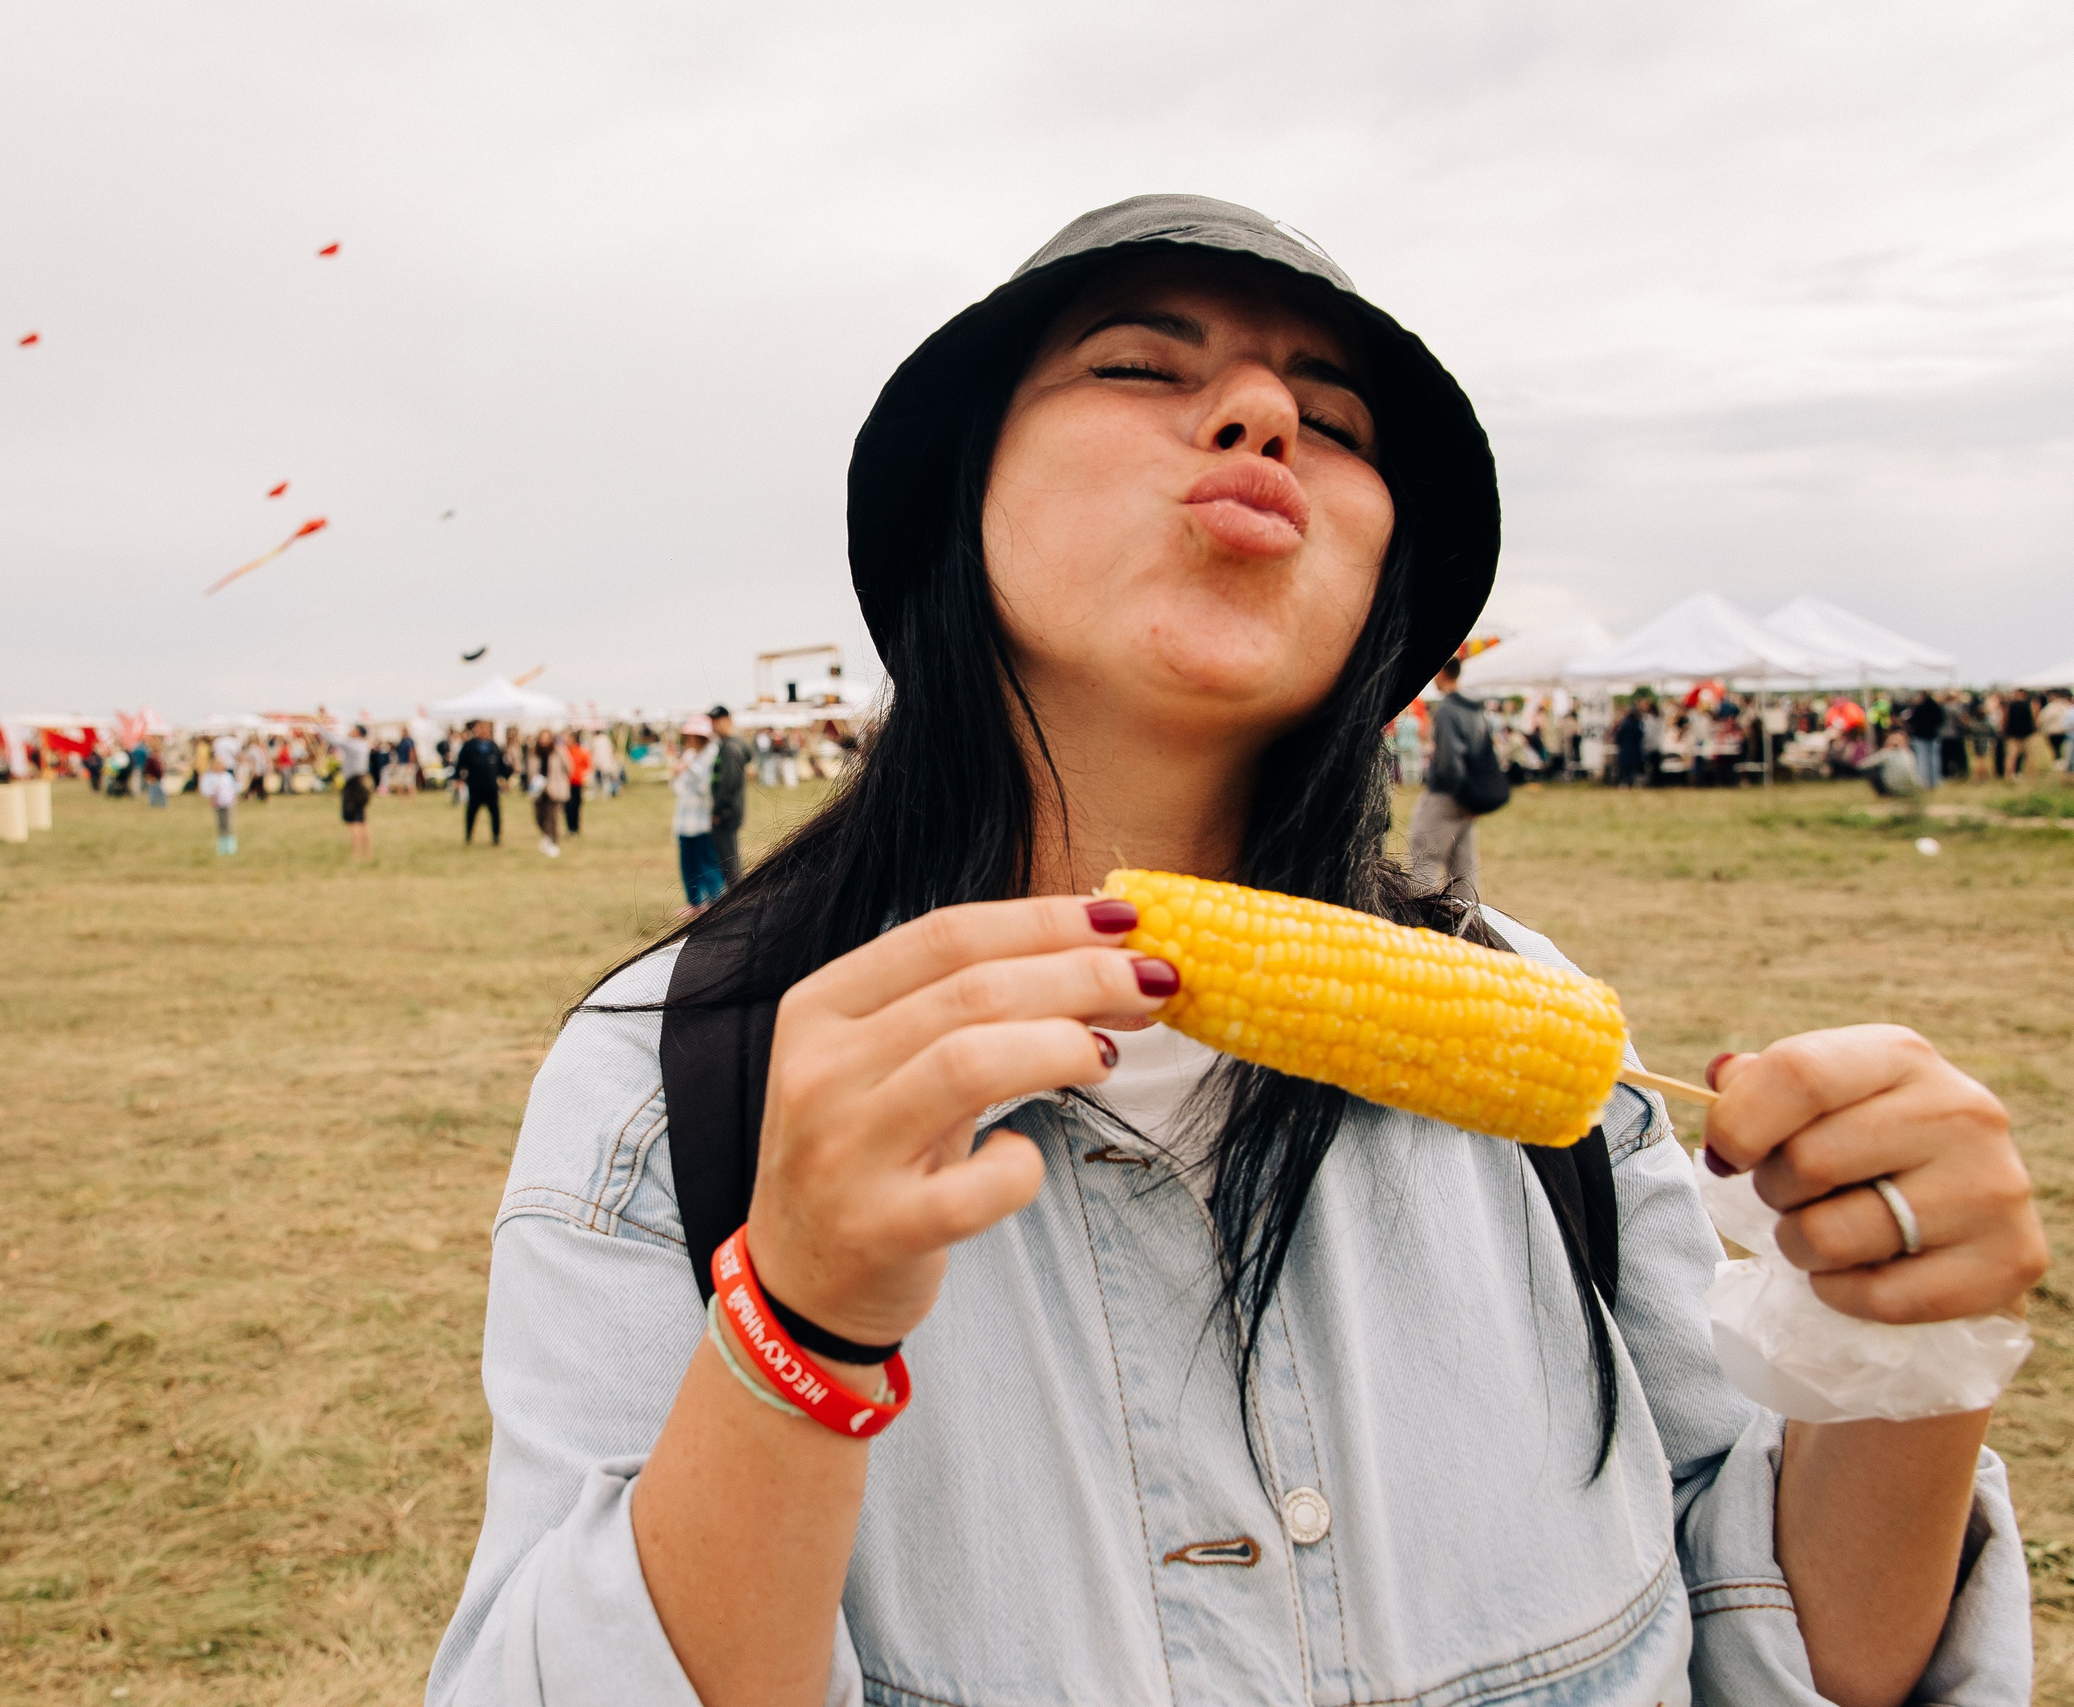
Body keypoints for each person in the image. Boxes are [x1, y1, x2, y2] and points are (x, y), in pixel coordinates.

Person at [428, 195, 2045, 1707]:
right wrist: (796, 1331)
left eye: (1332, 424)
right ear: (956, 494)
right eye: (1141, 366)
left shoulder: (1542, 1036)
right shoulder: (677, 1076)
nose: (1263, 417)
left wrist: (1904, 1356)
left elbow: (1774, 1644)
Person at [1406, 654, 1496, 895]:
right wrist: (1471, 799)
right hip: (1470, 798)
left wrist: (1457, 791)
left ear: (1442, 672)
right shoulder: (1475, 709)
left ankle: (1415, 919)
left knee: (1424, 858)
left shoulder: (1447, 710)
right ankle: (1467, 924)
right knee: (1463, 869)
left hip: (1447, 794)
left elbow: (1449, 760)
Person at [670, 714, 722, 908]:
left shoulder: (713, 754)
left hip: (703, 821)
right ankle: (693, 903)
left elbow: (705, 788)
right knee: (688, 865)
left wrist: (689, 768)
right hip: (685, 820)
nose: (688, 740)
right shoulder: (690, 755)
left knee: (707, 864)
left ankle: (716, 903)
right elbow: (678, 787)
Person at [707, 705, 752, 885]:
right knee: (729, 860)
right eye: (712, 721)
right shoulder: (729, 744)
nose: (714, 725)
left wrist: (717, 810)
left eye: (718, 721)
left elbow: (728, 784)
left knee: (730, 863)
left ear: (728, 721)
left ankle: (737, 899)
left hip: (727, 812)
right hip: (730, 810)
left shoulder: (730, 747)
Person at [455, 720, 505, 846]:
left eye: (486, 728)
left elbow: (501, 765)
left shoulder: (493, 746)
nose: (483, 731)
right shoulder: (469, 746)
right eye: (481, 728)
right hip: (475, 785)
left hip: (491, 786)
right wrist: (458, 779)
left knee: (495, 813)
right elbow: (460, 763)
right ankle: (468, 835)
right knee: (471, 812)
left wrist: (505, 778)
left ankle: (496, 837)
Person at [335, 723, 374, 861]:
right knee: (362, 819)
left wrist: (318, 725)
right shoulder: (364, 745)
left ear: (358, 732)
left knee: (353, 820)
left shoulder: (353, 745)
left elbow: (334, 740)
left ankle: (356, 854)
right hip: (362, 782)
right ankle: (367, 853)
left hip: (352, 784)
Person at [532, 731, 570, 858]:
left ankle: (554, 843)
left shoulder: (558, 751)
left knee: (552, 817)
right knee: (539, 817)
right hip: (538, 789)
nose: (544, 741)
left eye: (547, 739)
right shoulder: (534, 753)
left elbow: (568, 767)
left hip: (554, 789)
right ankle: (546, 837)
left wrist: (560, 781)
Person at [200, 735, 239, 854]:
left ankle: (230, 846)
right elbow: (206, 789)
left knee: (228, 824)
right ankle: (222, 846)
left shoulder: (227, 776)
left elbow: (234, 787)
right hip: (217, 802)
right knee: (220, 824)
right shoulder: (211, 777)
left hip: (228, 802)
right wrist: (213, 793)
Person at [1902, 692, 1945, 791]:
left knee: (1922, 759)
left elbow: (1911, 720)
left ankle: (1922, 782)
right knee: (1934, 759)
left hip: (1920, 735)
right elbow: (1941, 720)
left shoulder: (1918, 707)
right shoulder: (1935, 707)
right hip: (1933, 735)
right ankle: (1935, 781)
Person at [1612, 695, 1650, 788]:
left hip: (1626, 750)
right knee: (1632, 768)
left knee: (1625, 768)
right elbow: (1641, 736)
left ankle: (1624, 782)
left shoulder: (1625, 724)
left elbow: (1618, 736)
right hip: (1634, 750)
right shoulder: (1637, 725)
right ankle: (1631, 782)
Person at [1999, 687, 2037, 780]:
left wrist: (2003, 731)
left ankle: (2009, 775)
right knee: (2029, 756)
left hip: (2013, 734)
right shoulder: (2030, 704)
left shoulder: (2010, 705)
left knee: (2011, 756)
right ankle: (2030, 775)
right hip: (2027, 733)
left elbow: (2005, 719)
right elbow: (2034, 718)